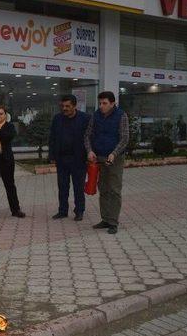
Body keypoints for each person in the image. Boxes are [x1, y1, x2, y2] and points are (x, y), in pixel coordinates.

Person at [85, 91, 129, 235]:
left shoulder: (121, 116)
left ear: (112, 103)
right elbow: (87, 135)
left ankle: (113, 222)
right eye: (100, 103)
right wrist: (90, 151)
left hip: (114, 158)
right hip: (98, 157)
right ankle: (105, 219)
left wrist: (114, 153)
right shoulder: (96, 115)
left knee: (114, 190)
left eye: (104, 103)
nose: (101, 106)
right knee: (103, 189)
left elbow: (124, 138)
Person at [48, 95, 90, 221]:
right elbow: (52, 138)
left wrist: (89, 153)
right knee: (62, 187)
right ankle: (62, 211)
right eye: (62, 106)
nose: (64, 108)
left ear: (74, 106)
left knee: (78, 187)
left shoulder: (85, 118)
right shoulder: (57, 118)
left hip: (79, 159)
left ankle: (79, 211)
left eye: (67, 106)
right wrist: (52, 155)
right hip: (62, 159)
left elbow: (89, 137)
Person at [0, 105, 26, 219]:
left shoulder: (9, 126)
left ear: (5, 115)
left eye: (1, 113)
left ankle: (15, 210)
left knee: (10, 185)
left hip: (6, 160)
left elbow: (9, 137)